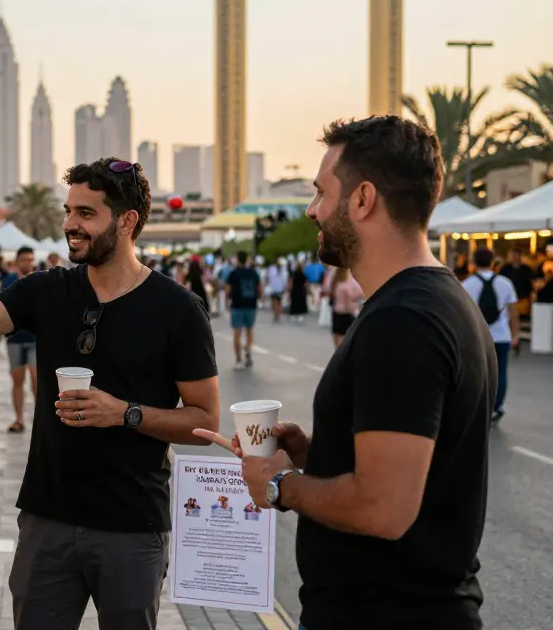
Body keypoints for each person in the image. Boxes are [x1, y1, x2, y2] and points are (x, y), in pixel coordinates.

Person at [0, 159, 219, 630]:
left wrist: (123, 413)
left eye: (86, 214)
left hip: (131, 525)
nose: (70, 224)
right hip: (47, 519)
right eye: (69, 212)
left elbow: (204, 422)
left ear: (127, 221)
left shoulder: (178, 310)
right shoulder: (48, 291)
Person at [198, 115, 495, 630]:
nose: (312, 210)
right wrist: (319, 454)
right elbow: (419, 468)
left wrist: (279, 484)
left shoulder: (405, 320)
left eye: (320, 193)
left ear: (362, 199)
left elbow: (384, 508)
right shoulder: (435, 301)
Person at [462, 248, 519, 423]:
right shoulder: (505, 283)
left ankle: (479, 407)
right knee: (500, 373)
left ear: (474, 262)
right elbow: (513, 312)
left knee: (477, 374)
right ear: (493, 261)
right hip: (501, 336)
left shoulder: (466, 285)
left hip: (478, 336)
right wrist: (515, 335)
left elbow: (463, 314)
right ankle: (496, 406)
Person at [2, 246, 39, 433]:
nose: (28, 263)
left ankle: (40, 418)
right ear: (17, 262)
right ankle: (19, 419)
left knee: (36, 379)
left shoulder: (40, 281)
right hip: (15, 338)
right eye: (25, 259)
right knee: (17, 381)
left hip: (35, 339)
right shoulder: (9, 281)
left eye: (31, 260)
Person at [225, 251, 261, 369]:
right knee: (249, 330)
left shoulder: (233, 273)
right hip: (251, 305)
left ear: (237, 259)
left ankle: (239, 359)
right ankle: (249, 349)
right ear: (247, 259)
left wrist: (226, 302)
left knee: (237, 333)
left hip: (237, 305)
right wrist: (259, 299)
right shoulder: (253, 272)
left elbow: (228, 290)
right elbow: (259, 288)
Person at [498, 247, 536, 355]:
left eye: (514, 255)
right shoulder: (505, 268)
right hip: (509, 300)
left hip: (522, 299)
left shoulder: (526, 269)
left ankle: (515, 338)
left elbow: (533, 283)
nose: (512, 257)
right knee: (512, 319)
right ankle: (514, 339)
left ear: (519, 256)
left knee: (515, 319)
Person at [328, 266, 363, 347]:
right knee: (350, 335)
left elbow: (328, 291)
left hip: (337, 311)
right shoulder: (350, 281)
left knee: (337, 334)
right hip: (350, 312)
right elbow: (359, 294)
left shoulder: (335, 282)